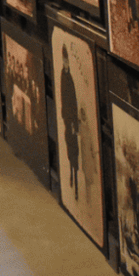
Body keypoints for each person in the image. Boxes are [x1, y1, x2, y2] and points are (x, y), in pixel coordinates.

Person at [59, 43, 80, 200]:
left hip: (72, 117)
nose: (66, 64)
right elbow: (64, 98)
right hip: (67, 117)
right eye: (64, 61)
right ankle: (72, 173)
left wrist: (75, 123)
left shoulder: (70, 77)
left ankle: (76, 176)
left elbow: (73, 100)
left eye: (67, 62)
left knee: (75, 147)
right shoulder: (63, 77)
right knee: (69, 143)